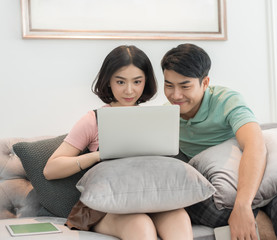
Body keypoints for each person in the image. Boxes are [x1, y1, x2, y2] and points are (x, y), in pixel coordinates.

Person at [161, 43, 277, 240]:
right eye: (169, 85)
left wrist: (243, 206)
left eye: (185, 86)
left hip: (261, 177)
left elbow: (255, 146)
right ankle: (259, 217)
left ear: (204, 83)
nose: (175, 95)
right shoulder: (166, 116)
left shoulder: (227, 100)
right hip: (218, 189)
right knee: (191, 200)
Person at [43, 45, 193, 240]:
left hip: (154, 198)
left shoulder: (158, 118)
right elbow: (51, 169)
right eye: (120, 81)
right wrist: (99, 155)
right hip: (108, 207)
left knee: (179, 218)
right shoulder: (93, 119)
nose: (129, 90)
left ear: (145, 81)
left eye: (137, 81)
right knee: (141, 226)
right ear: (108, 82)